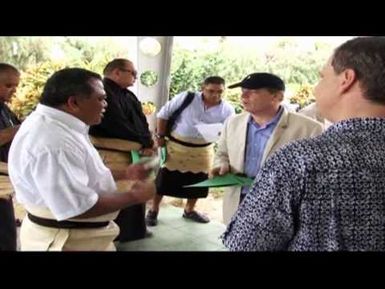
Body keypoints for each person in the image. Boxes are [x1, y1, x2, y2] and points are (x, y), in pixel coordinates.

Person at [222, 36, 385, 251]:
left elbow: (245, 244)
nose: (316, 89)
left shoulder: (300, 158)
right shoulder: (235, 123)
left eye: (322, 76)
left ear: (346, 79)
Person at [8, 68, 155, 251]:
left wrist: (126, 173)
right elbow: (78, 206)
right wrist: (134, 196)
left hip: (76, 235)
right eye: (100, 98)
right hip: (65, 240)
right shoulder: (54, 142)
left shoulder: (60, 125)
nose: (105, 105)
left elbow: (80, 174)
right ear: (74, 102)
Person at [210, 72, 324, 225]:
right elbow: (222, 154)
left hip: (281, 209)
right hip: (238, 200)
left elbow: (316, 176)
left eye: (253, 92)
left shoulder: (309, 129)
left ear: (277, 96)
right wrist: (221, 165)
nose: (244, 97)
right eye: (243, 91)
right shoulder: (232, 123)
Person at [145, 76, 235, 226]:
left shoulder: (228, 110)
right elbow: (163, 114)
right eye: (211, 91)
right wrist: (160, 135)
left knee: (198, 183)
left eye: (220, 92)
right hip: (177, 147)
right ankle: (153, 210)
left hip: (203, 151)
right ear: (202, 88)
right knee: (163, 181)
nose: (215, 95)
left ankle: (189, 210)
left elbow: (230, 131)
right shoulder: (187, 98)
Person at [89, 58, 154, 242]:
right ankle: (111, 233)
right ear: (117, 72)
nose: (135, 77)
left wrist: (148, 142)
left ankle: (131, 231)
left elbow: (141, 120)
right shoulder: (102, 92)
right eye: (132, 73)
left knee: (135, 187)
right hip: (110, 152)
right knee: (113, 191)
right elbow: (116, 124)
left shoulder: (129, 95)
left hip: (135, 151)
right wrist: (144, 141)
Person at [0, 63, 21, 251]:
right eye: (8, 85)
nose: (13, 90)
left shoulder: (5, 110)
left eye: (16, 86)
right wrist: (18, 130)